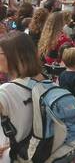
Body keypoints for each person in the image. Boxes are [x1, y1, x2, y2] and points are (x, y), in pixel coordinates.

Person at [0, 32, 47, 161]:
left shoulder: (5, 91)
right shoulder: (45, 82)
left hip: (10, 156)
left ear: (13, 57)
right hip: (34, 153)